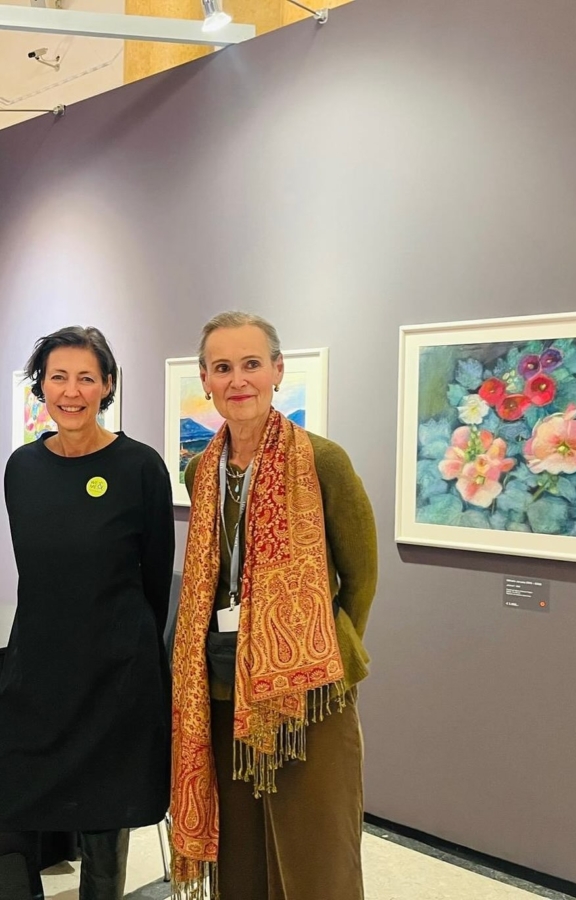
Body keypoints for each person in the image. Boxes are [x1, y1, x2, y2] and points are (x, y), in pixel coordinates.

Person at [170, 312, 378, 900]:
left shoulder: (322, 460)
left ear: (278, 371)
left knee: (317, 854)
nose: (239, 380)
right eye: (223, 367)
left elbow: (360, 576)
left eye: (252, 364)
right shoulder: (200, 470)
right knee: (241, 853)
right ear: (205, 379)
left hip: (309, 692)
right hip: (221, 683)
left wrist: (322, 649)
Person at [0, 326, 175, 900]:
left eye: (85, 377)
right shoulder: (21, 468)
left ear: (107, 387)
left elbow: (154, 582)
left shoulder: (140, 468)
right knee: (14, 809)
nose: (70, 391)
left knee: (106, 817)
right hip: (37, 675)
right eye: (57, 377)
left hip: (115, 679)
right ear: (40, 386)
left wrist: (133, 654)